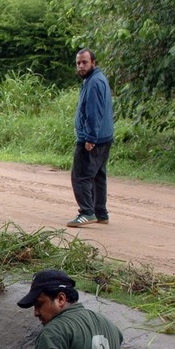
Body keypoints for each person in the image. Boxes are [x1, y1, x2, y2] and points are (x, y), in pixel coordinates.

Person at [67, 48, 114, 227]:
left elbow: (95, 113)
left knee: (80, 176)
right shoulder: (93, 79)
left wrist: (90, 138)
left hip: (94, 138)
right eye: (78, 63)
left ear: (94, 63)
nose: (81, 66)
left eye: (85, 62)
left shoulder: (94, 82)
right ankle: (101, 212)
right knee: (97, 175)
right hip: (104, 136)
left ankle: (87, 212)